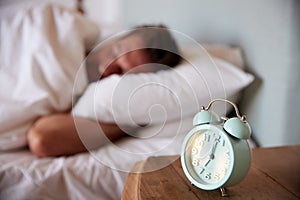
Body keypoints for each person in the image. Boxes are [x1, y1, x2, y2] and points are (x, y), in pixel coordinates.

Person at [26, 25, 181, 157]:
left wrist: (125, 124)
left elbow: (41, 139)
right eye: (114, 53)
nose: (104, 68)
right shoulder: (66, 30)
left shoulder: (89, 99)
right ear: (114, 38)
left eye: (120, 72)